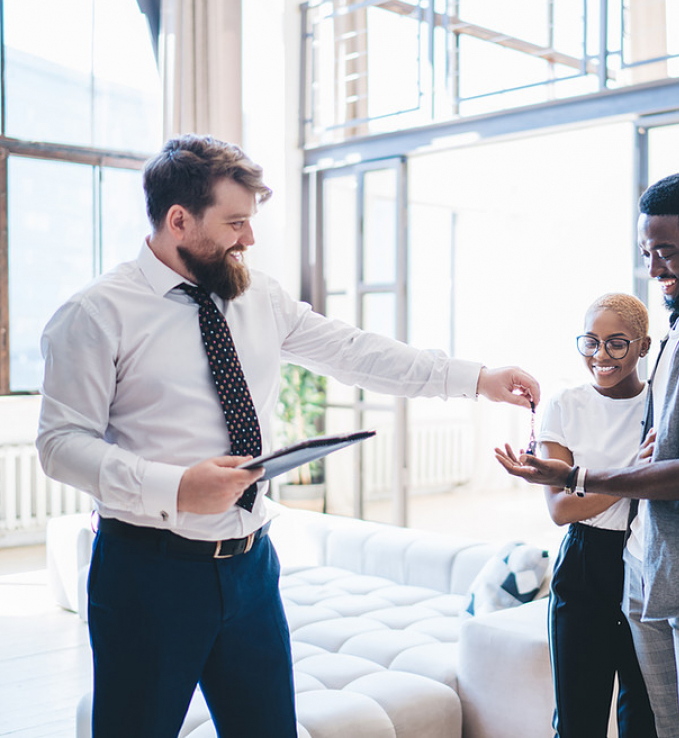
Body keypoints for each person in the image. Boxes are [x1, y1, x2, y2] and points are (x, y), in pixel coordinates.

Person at [35, 134, 540, 738]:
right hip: (148, 574)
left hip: (252, 568)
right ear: (178, 221)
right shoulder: (94, 314)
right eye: (235, 223)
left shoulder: (259, 296)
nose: (248, 239)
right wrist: (175, 487)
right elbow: (60, 443)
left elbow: (356, 353)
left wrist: (476, 379)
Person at [497, 172, 679, 738]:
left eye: (666, 252)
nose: (653, 269)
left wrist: (577, 475)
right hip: (648, 569)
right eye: (646, 253)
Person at [538, 291, 679, 738]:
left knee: (644, 719)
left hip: (647, 564)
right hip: (583, 568)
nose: (601, 356)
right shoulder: (565, 404)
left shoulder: (663, 403)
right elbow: (561, 507)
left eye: (617, 343)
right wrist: (633, 472)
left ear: (644, 346)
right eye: (590, 342)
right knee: (576, 720)